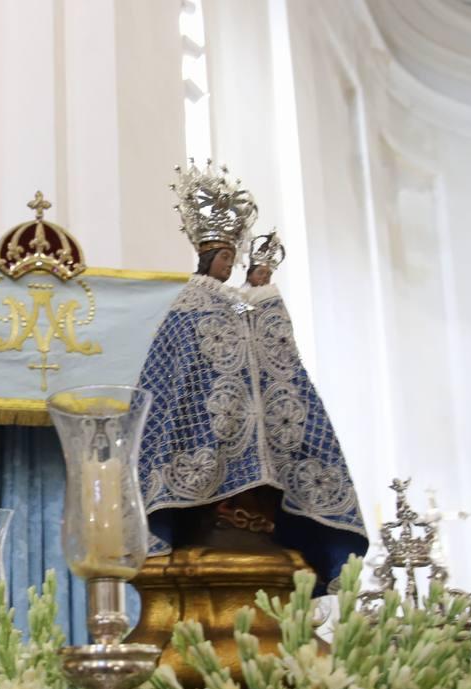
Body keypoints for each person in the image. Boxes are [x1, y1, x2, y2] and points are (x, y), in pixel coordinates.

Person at [136, 161, 367, 584]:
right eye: (224, 257)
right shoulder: (187, 305)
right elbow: (172, 376)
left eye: (231, 257)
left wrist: (262, 289)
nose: (228, 265)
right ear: (207, 257)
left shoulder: (240, 302)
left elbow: (266, 339)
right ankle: (207, 512)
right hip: (206, 426)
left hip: (258, 433)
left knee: (260, 498)